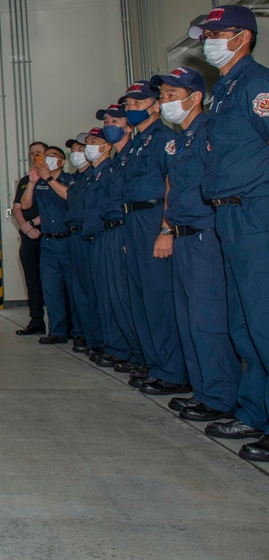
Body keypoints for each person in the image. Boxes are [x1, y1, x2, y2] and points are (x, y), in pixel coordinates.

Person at [189, 5, 269, 461]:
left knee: (263, 317)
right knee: (244, 322)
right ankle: (255, 412)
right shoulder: (224, 91)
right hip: (230, 215)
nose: (209, 41)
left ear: (244, 37)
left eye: (218, 33)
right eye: (208, 34)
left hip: (257, 211)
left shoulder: (257, 84)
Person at [152, 66, 239, 422]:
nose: (166, 102)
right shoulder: (180, 140)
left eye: (171, 96)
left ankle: (221, 397)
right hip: (183, 237)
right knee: (188, 320)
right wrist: (167, 229)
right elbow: (172, 188)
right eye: (163, 96)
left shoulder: (209, 131)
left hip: (206, 237)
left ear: (195, 97)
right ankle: (203, 391)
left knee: (208, 319)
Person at [119, 80, 190, 396]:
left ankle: (172, 371)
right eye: (128, 105)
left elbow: (171, 186)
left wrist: (166, 229)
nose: (130, 109)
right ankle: (154, 363)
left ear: (155, 105)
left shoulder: (164, 139)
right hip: (133, 220)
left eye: (136, 104)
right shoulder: (135, 144)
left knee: (159, 297)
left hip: (153, 218)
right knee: (141, 297)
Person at [86, 107, 144, 372]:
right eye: (106, 122)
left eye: (115, 121)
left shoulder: (128, 156)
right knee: (109, 296)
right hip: (105, 232)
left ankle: (136, 353)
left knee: (124, 297)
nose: (110, 125)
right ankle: (121, 348)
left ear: (128, 126)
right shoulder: (119, 160)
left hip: (121, 229)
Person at [20, 145, 74, 344]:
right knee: (51, 290)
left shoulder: (70, 180)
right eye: (47, 155)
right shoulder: (40, 183)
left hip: (68, 241)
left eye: (54, 156)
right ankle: (57, 332)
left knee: (73, 290)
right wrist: (33, 183)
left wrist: (50, 179)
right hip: (48, 243)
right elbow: (25, 205)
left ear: (61, 161)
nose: (49, 159)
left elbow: (68, 195)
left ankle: (78, 331)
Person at [63, 133, 95, 354]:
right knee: (78, 291)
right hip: (74, 235)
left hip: (89, 235)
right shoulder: (77, 178)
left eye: (80, 149)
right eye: (73, 149)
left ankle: (96, 337)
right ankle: (83, 333)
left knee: (92, 290)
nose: (76, 153)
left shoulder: (96, 175)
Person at [12, 142, 48, 335]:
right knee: (32, 282)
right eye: (33, 154)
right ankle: (36, 321)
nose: (36, 156)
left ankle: (63, 324)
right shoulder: (26, 181)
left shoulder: (52, 179)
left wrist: (33, 224)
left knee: (52, 282)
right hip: (28, 238)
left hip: (47, 237)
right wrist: (25, 227)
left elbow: (54, 209)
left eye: (39, 153)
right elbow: (17, 207)